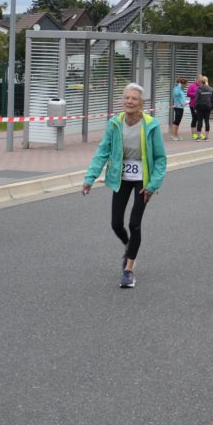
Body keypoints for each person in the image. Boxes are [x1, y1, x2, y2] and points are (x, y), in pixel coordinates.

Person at [82, 83, 167, 288]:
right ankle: (129, 247)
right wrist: (90, 178)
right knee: (116, 224)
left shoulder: (151, 125)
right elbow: (103, 151)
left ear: (141, 103)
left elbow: (160, 158)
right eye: (127, 98)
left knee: (134, 223)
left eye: (134, 98)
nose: (129, 101)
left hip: (143, 180)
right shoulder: (115, 124)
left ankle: (128, 270)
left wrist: (153, 185)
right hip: (120, 177)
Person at [193, 76, 213, 141]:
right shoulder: (211, 89)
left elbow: (196, 99)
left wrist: (195, 107)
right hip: (208, 106)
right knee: (207, 121)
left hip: (200, 107)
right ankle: (207, 137)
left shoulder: (199, 89)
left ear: (201, 82)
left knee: (200, 121)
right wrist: (212, 108)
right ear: (207, 81)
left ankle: (199, 137)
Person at [186, 75, 201, 140]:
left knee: (199, 119)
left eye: (200, 81)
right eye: (198, 80)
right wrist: (196, 94)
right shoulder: (192, 86)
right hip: (193, 105)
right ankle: (193, 134)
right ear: (196, 79)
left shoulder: (202, 86)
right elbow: (188, 94)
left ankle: (198, 133)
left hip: (200, 105)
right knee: (194, 118)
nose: (199, 82)